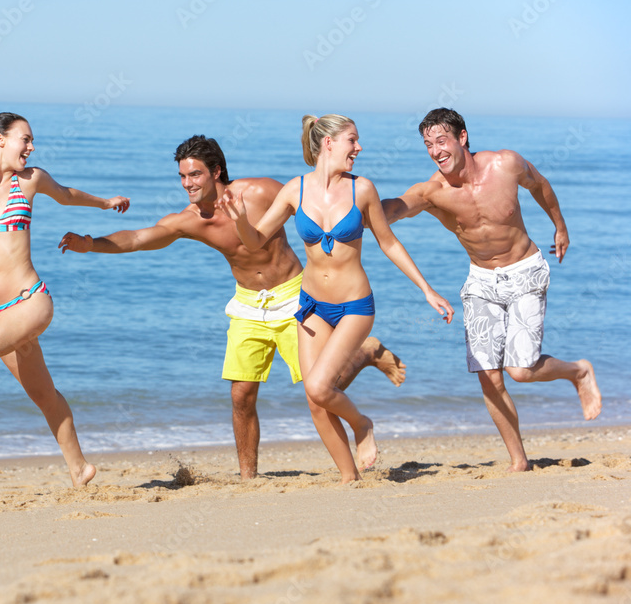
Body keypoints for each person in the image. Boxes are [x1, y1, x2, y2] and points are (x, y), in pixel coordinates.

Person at [58, 135, 407, 479]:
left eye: (194, 174)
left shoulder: (260, 192)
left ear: (216, 171)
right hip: (248, 305)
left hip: (293, 295)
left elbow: (321, 202)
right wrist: (90, 244)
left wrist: (372, 211)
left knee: (319, 391)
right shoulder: (191, 220)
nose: (186, 184)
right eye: (182, 176)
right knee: (241, 394)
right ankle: (247, 478)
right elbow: (137, 238)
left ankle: (363, 357)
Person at [219, 115, 453, 484]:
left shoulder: (362, 189)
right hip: (312, 304)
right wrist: (240, 220)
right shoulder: (294, 190)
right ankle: (349, 477)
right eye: (352, 140)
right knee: (316, 399)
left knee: (318, 386)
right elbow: (255, 240)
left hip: (354, 306)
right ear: (328, 143)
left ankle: (362, 424)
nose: (358, 148)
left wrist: (426, 288)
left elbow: (388, 242)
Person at [382, 108, 601, 472]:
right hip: (481, 282)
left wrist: (560, 227)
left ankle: (578, 372)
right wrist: (356, 204)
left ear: (462, 137)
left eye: (441, 141)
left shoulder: (506, 164)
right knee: (489, 375)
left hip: (525, 271)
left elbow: (540, 185)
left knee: (521, 370)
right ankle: (519, 461)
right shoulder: (432, 192)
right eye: (427, 145)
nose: (435, 150)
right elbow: (394, 208)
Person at [0, 112, 130, 491]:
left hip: (30, 302)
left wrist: (105, 203)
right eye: (25, 139)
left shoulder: (31, 180)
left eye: (31, 141)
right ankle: (80, 468)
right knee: (43, 395)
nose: (31, 147)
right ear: (0, 140)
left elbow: (67, 196)